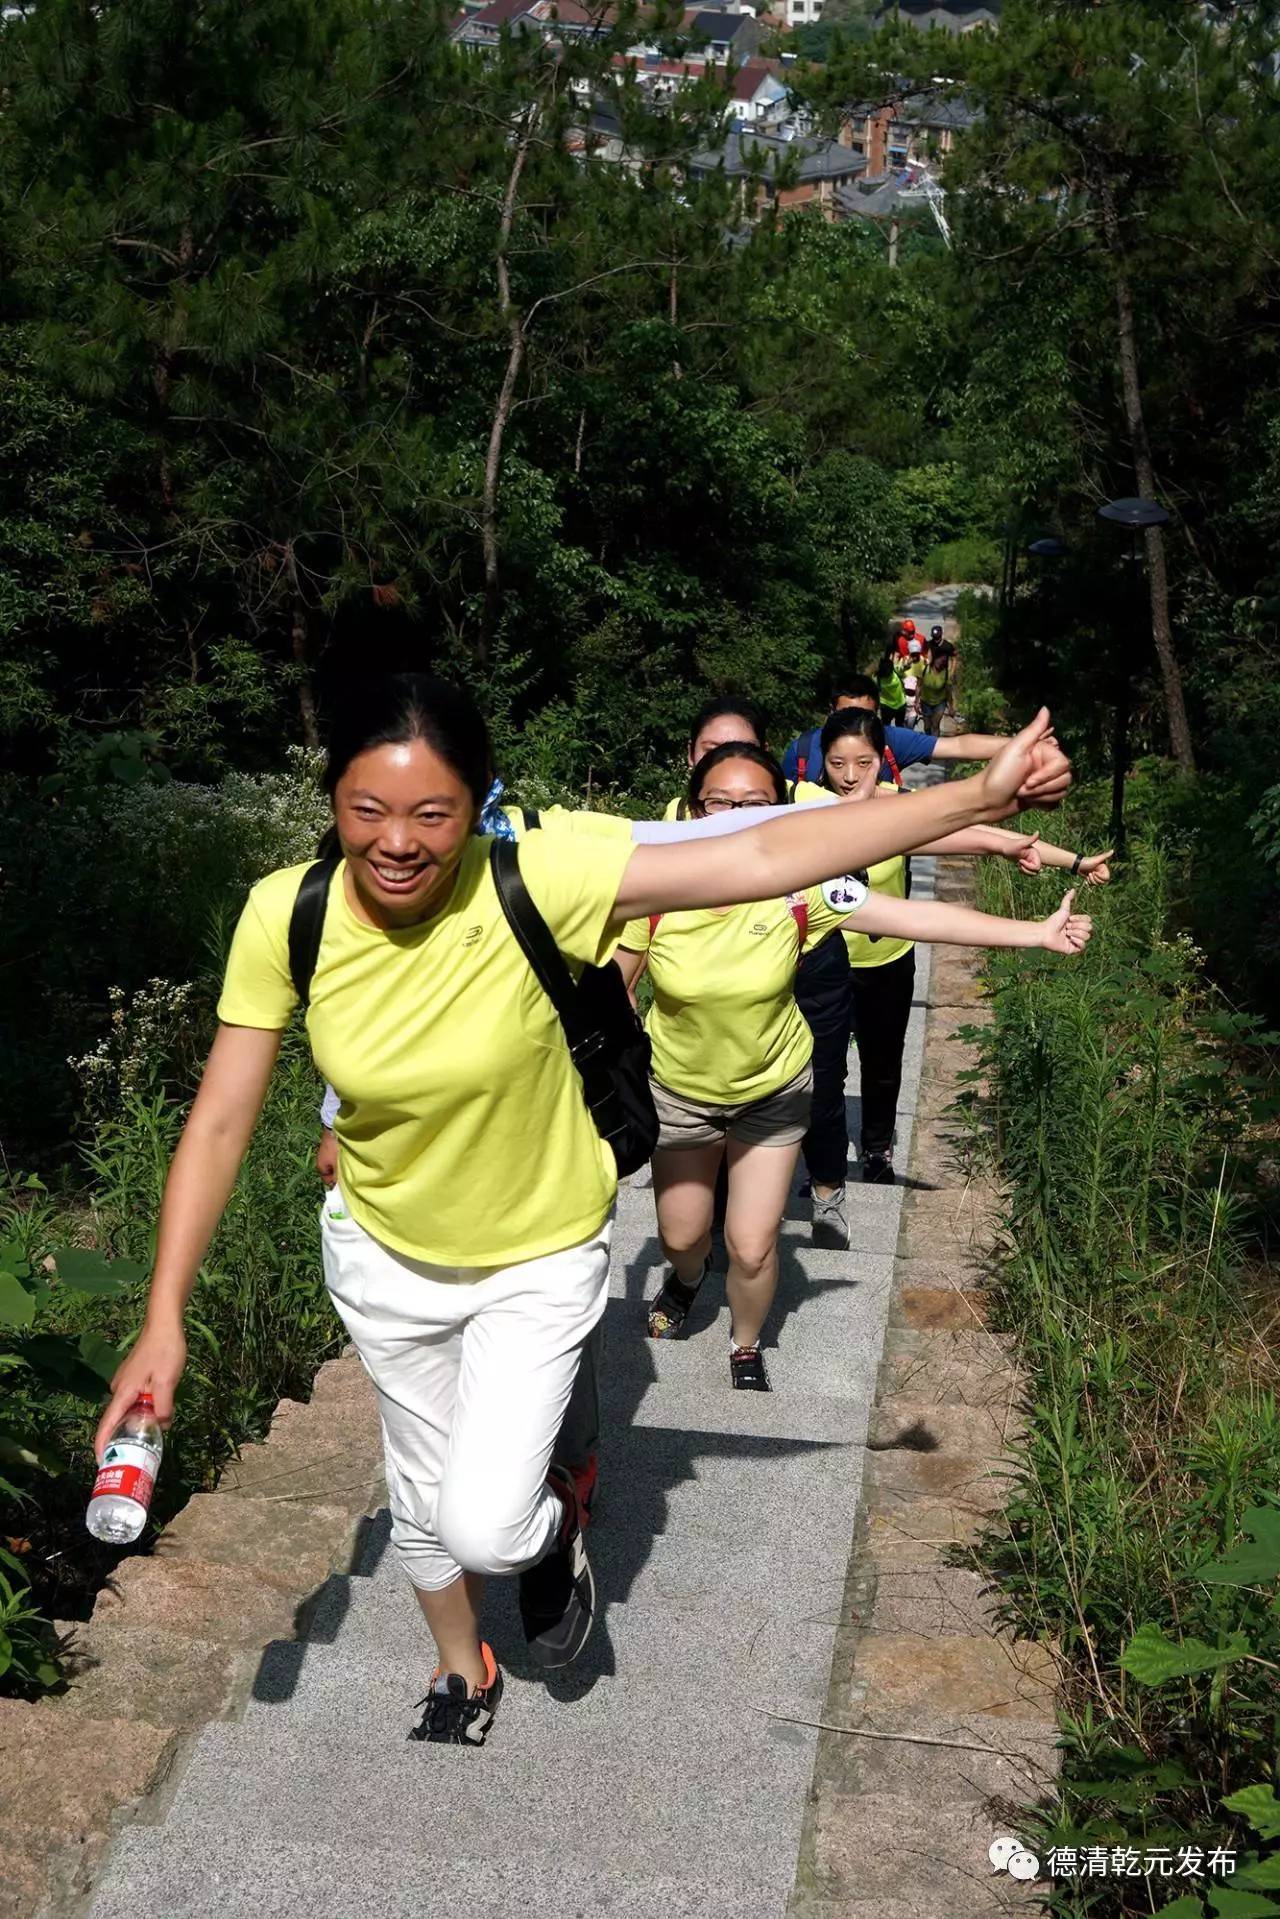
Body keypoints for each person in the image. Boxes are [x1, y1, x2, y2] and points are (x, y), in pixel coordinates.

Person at [96, 666, 1072, 1747]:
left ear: (477, 804)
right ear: (331, 801)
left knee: (487, 1521)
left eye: (432, 812)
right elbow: (222, 1119)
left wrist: (969, 801)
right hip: (381, 1255)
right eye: (366, 809)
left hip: (536, 1253)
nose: (397, 841)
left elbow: (753, 854)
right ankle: (462, 1667)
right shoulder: (290, 912)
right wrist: (163, 1312)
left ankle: (555, 1517)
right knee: (420, 1509)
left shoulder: (540, 873)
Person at [615, 741, 1094, 1384]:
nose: (732, 814)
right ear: (692, 808)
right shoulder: (656, 890)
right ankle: (687, 1278)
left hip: (774, 1089)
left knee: (753, 1247)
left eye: (753, 804)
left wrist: (1034, 932)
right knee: (683, 1237)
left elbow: (916, 917)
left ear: (780, 812)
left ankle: (746, 1342)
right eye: (718, 802)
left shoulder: (799, 890)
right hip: (678, 1092)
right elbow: (611, 989)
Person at [797, 707, 1109, 1240]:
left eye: (864, 762)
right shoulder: (801, 808)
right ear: (819, 764)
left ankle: (875, 1148)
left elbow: (977, 831)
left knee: (882, 1060)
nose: (851, 775)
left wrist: (1071, 861)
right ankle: (824, 1169)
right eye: (838, 763)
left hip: (887, 954)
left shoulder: (896, 810)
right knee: (822, 1070)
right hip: (823, 960)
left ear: (884, 763)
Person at [782, 677, 1016, 789]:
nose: (856, 725)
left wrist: (1027, 745)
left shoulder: (889, 739)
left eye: (865, 717)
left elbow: (959, 746)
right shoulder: (801, 750)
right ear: (831, 712)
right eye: (837, 763)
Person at [662, 694, 767, 820]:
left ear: (766, 755)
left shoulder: (796, 803)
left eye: (745, 750)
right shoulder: (679, 815)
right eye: (712, 751)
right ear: (691, 754)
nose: (728, 764)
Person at [919, 634, 957, 737]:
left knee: (935, 725)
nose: (941, 662)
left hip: (940, 702)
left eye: (943, 661)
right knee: (927, 726)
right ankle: (927, 742)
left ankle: (934, 746)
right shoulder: (925, 670)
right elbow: (919, 685)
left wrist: (951, 707)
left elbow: (948, 691)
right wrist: (916, 701)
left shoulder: (945, 674)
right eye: (940, 659)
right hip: (925, 701)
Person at [875, 642, 909, 720]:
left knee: (897, 726)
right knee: (887, 727)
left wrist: (907, 664)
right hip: (887, 706)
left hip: (900, 704)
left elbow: (903, 667)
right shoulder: (878, 678)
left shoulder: (893, 670)